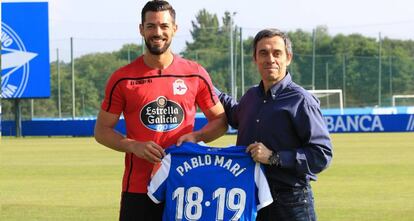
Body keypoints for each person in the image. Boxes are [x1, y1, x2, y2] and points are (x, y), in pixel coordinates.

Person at [94, 1, 227, 220]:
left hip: (184, 186)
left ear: (175, 29)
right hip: (138, 188)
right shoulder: (123, 78)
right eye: (151, 26)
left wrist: (197, 136)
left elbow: (220, 121)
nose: (158, 32)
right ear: (141, 29)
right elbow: (102, 131)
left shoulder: (195, 73)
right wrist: (134, 145)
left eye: (164, 26)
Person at [216, 28, 333, 221]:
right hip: (249, 198)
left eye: (276, 53)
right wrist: (201, 81)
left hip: (290, 202)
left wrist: (275, 157)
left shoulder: (301, 100)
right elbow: (234, 113)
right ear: (255, 59)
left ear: (288, 58)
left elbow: (322, 154)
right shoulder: (251, 96)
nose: (270, 59)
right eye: (263, 53)